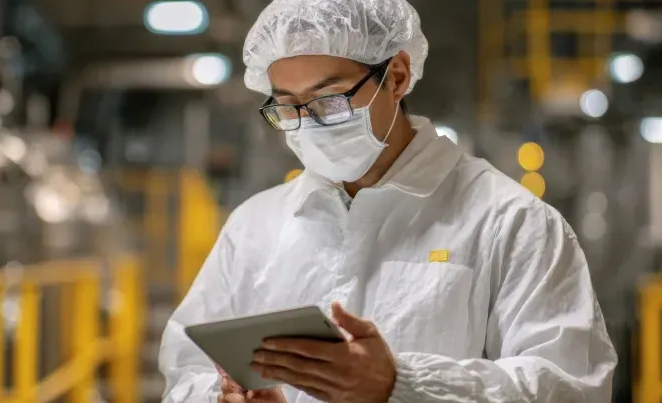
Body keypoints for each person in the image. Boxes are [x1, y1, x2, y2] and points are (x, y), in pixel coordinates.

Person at [159, 0, 618, 401]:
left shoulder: (510, 223)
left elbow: (569, 387)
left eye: (329, 100)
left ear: (396, 77)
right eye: (288, 107)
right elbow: (186, 370)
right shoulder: (254, 227)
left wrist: (401, 385)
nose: (308, 124)